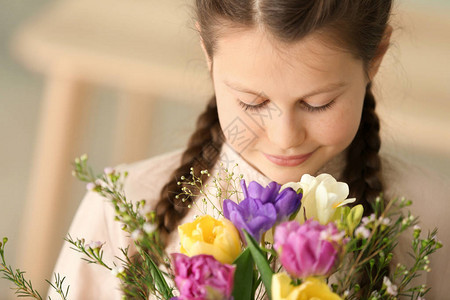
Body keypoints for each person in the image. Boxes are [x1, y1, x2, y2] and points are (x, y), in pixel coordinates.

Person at [48, 0, 450, 299]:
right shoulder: (120, 210)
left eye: (318, 103)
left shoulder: (430, 215)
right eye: (252, 103)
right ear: (208, 56)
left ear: (375, 58)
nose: (285, 136)